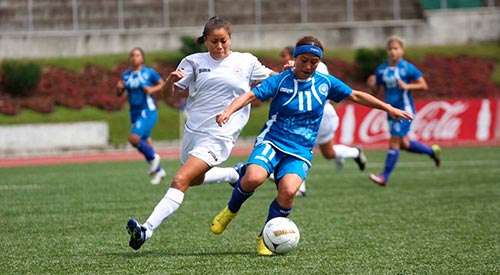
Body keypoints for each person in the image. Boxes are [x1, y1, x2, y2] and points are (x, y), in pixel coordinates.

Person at [210, 36, 413, 255]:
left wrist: (388, 108)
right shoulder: (280, 80)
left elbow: (355, 94)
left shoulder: (325, 83)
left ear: (319, 62)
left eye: (313, 62)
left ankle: (265, 238)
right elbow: (250, 94)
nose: (308, 66)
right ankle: (230, 210)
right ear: (295, 58)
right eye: (304, 60)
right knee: (253, 178)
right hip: (273, 140)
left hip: (300, 150)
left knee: (288, 192)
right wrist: (228, 112)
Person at [125, 16, 276, 250]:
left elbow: (275, 79)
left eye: (223, 41)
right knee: (193, 179)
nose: (219, 46)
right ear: (205, 40)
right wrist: (168, 82)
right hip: (193, 131)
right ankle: (234, 175)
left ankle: (146, 230)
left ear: (230, 38)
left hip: (219, 135)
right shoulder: (193, 62)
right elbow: (167, 95)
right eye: (214, 41)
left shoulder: (245, 61)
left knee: (180, 180)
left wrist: (291, 71)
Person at [278, 46, 367, 197]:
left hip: (320, 114)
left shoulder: (318, 68)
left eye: (284, 55)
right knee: (328, 153)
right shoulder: (291, 71)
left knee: (298, 146)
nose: (283, 59)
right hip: (307, 114)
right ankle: (355, 152)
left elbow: (320, 90)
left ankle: (299, 187)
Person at [366, 35, 441, 187]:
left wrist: (407, 86)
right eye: (390, 49)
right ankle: (432, 152)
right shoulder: (381, 70)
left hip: (405, 109)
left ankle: (384, 177)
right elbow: (375, 92)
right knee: (404, 144)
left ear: (402, 51)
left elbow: (423, 85)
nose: (393, 52)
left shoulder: (408, 68)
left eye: (396, 48)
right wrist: (371, 84)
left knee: (394, 140)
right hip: (391, 110)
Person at [116, 47, 166, 185]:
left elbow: (162, 84)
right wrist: (119, 88)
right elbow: (119, 93)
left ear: (142, 58)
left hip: (147, 111)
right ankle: (159, 171)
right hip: (134, 113)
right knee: (146, 144)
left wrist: (151, 89)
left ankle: (154, 158)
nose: (134, 57)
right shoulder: (126, 75)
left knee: (133, 139)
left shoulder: (148, 73)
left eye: (137, 55)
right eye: (132, 55)